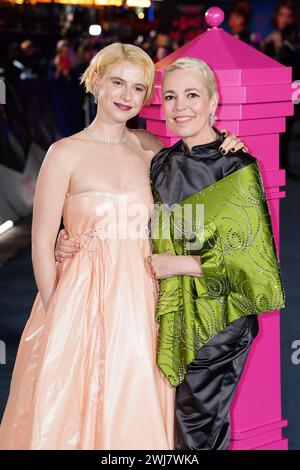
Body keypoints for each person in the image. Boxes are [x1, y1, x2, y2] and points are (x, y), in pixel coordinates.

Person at [19, 43, 245, 450]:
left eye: (138, 88)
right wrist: (58, 316)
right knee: (75, 408)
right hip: (80, 302)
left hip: (146, 298)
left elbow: (199, 161)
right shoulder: (64, 153)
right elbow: (40, 242)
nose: (126, 96)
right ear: (95, 83)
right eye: (117, 83)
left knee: (138, 399)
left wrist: (230, 143)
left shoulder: (152, 147)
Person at [148, 57, 285, 450]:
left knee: (195, 431)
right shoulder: (161, 163)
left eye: (192, 95)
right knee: (178, 428)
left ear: (212, 101)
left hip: (218, 321)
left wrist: (180, 264)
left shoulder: (235, 166)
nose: (180, 106)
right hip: (171, 316)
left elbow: (256, 267)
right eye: (171, 97)